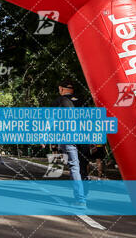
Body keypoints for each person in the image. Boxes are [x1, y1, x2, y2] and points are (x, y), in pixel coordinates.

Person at [52, 79, 86, 207]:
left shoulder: (58, 101)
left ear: (61, 89)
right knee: (83, 165)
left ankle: (81, 199)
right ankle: (84, 194)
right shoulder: (83, 100)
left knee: (74, 166)